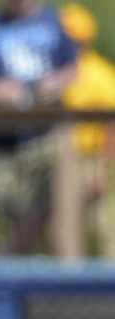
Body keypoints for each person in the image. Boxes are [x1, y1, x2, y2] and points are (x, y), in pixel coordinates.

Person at [0, 0, 79, 254]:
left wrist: (55, 83)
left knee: (52, 207)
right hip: (7, 140)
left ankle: (40, 269)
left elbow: (72, 68)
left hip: (48, 135)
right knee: (11, 211)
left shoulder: (52, 21)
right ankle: (15, 266)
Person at [58, 3, 115, 257]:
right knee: (64, 231)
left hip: (94, 157)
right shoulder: (55, 73)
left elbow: (111, 125)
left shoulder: (100, 74)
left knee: (106, 227)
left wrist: (102, 168)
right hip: (61, 160)